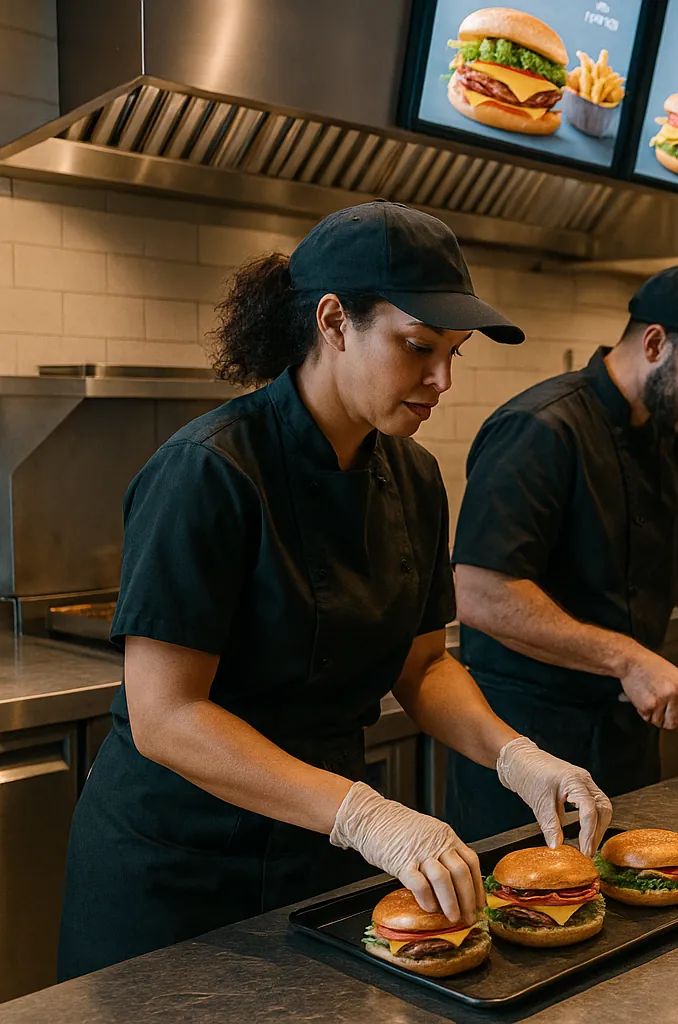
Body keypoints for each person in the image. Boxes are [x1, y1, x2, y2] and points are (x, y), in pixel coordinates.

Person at [56, 201, 612, 981]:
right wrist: (364, 814)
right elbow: (165, 716)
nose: (443, 379)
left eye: (455, 354)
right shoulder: (208, 471)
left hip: (319, 860)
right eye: (418, 347)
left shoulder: (412, 476)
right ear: (333, 321)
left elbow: (422, 668)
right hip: (180, 872)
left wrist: (513, 754)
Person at [447, 262, 678, 841]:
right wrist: (625, 657)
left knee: (634, 893)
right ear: (654, 342)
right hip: (528, 746)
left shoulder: (676, 441)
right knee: (527, 908)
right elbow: (480, 595)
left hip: (626, 737)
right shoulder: (540, 429)